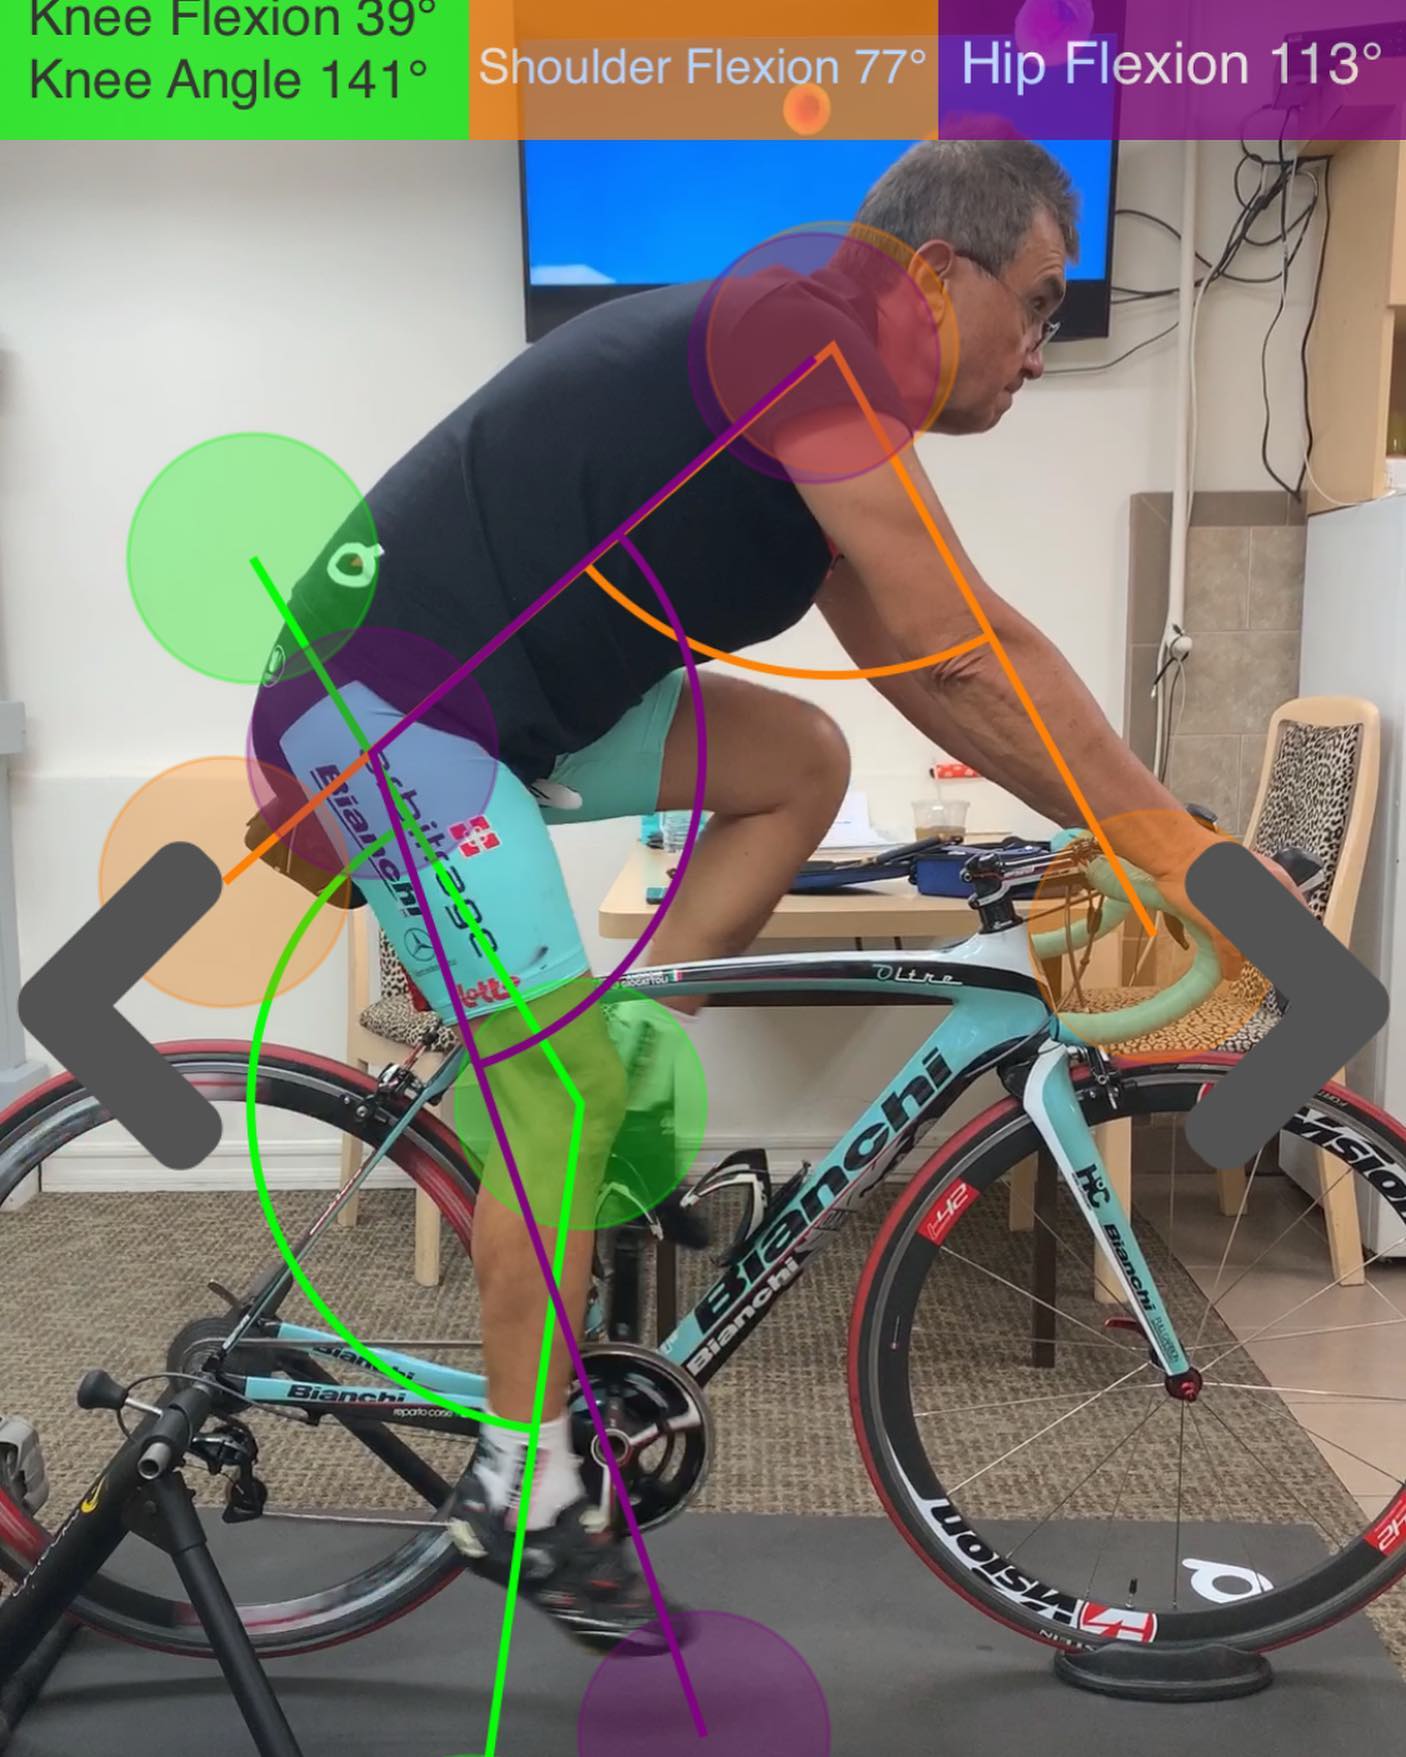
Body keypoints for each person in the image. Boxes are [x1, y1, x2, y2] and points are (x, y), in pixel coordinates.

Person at [254, 140, 1296, 1650]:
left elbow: (938, 668)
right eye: (1037, 302)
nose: (1040, 350)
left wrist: (1136, 826)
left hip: (508, 711)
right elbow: (970, 651)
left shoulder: (817, 408)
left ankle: (624, 1067)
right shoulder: (807, 340)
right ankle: (520, 1487)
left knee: (797, 760)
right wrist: (1176, 849)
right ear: (931, 275)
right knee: (551, 1093)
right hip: (384, 710)